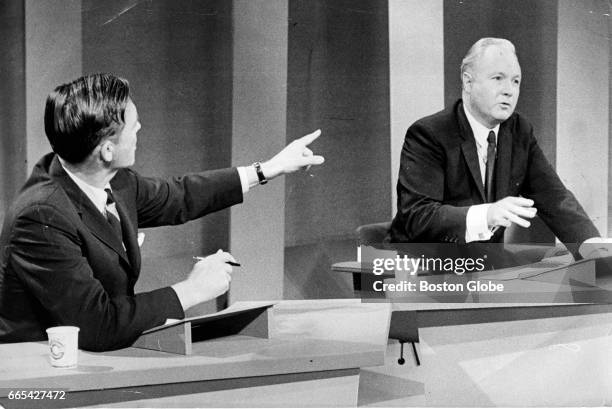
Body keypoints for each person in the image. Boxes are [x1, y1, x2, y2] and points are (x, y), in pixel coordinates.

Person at [0, 73, 324, 351]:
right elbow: (97, 325)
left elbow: (180, 195)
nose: (140, 126)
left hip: (96, 360)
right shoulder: (41, 215)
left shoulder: (116, 180)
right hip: (38, 376)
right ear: (107, 150)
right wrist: (193, 289)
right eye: (132, 124)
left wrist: (267, 169)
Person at [388, 38, 599, 261]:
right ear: (468, 82)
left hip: (482, 267)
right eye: (498, 78)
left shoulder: (519, 131)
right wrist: (487, 214)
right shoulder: (429, 133)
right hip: (421, 268)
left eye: (516, 81)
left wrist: (593, 246)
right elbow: (417, 216)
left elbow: (554, 197)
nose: (509, 91)